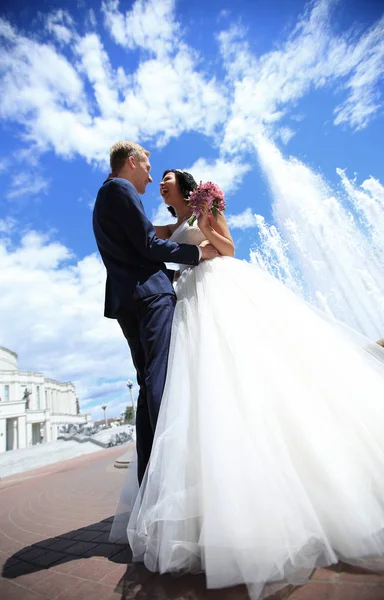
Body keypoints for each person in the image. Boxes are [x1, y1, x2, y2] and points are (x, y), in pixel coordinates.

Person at [112, 167, 384, 600]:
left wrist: (204, 230)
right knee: (197, 398)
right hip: (185, 302)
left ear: (185, 186)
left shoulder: (205, 210)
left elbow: (229, 249)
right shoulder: (171, 222)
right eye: (157, 179)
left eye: (167, 179)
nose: (161, 184)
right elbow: (146, 237)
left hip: (217, 292)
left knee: (237, 378)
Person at [92, 144, 218, 483]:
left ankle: (150, 477)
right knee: (161, 380)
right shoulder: (120, 189)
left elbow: (141, 244)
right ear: (131, 162)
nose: (150, 176)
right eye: (148, 167)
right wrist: (196, 254)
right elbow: (148, 244)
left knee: (149, 385)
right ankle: (175, 475)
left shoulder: (105, 196)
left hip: (126, 300)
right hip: (148, 296)